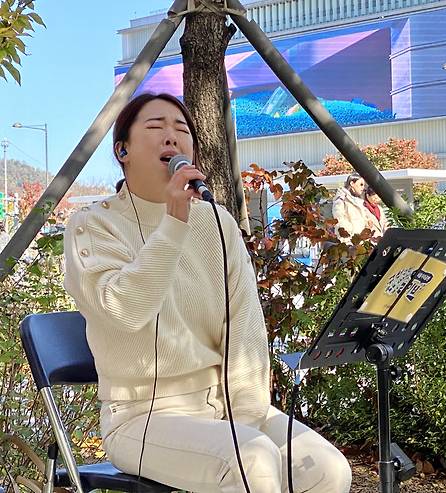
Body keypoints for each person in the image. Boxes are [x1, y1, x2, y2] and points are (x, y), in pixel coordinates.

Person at [63, 93, 351, 493]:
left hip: (224, 406)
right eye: (155, 127)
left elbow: (245, 323)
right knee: (250, 461)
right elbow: (124, 309)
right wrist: (174, 221)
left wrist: (245, 415)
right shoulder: (92, 225)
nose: (172, 137)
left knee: (327, 469)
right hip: (140, 416)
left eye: (182, 130)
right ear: (122, 150)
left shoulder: (216, 221)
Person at [332, 173, 368, 242]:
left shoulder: (359, 201)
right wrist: (349, 229)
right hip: (348, 240)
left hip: (360, 240)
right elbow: (338, 216)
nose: (363, 188)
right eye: (361, 184)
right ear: (352, 183)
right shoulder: (341, 198)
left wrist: (367, 223)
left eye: (363, 185)